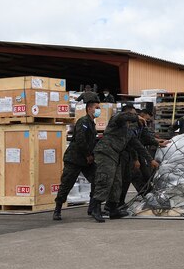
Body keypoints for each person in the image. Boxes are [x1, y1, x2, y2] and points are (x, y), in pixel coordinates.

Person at [89, 102, 145, 222]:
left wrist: (151, 159)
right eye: (133, 115)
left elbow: (137, 145)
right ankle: (95, 208)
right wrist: (136, 117)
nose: (135, 118)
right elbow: (122, 116)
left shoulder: (128, 131)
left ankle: (113, 209)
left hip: (115, 155)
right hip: (105, 152)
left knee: (117, 182)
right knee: (105, 179)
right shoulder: (117, 119)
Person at [52, 92, 100, 221]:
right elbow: (80, 140)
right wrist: (88, 155)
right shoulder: (83, 121)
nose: (98, 110)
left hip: (86, 160)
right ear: (89, 108)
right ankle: (57, 210)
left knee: (97, 179)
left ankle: (93, 207)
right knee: (67, 184)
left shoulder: (91, 123)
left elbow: (90, 141)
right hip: (75, 159)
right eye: (96, 108)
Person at [116, 108, 162, 207]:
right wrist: (136, 160)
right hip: (126, 155)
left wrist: (158, 142)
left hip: (135, 154)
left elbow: (143, 139)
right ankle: (115, 204)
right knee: (128, 178)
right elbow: (132, 145)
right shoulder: (129, 126)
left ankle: (121, 202)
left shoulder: (140, 125)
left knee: (141, 176)